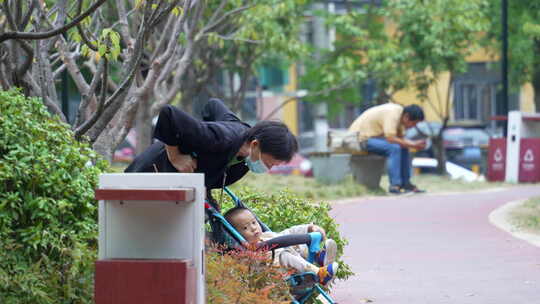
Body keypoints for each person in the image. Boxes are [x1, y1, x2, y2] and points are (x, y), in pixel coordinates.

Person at [125, 99, 298, 209]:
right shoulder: (220, 137)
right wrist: (176, 155)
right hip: (150, 174)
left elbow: (213, 105)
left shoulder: (243, 159)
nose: (268, 169)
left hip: (176, 189)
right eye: (270, 163)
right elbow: (169, 114)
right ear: (255, 144)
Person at [224, 206, 339, 286]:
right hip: (279, 278)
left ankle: (318, 257)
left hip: (296, 265)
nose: (253, 228)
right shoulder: (246, 253)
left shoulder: (266, 236)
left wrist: (308, 228)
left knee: (294, 243)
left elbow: (286, 234)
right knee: (283, 255)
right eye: (245, 228)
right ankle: (320, 274)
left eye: (254, 223)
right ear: (236, 235)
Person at [349, 103, 426, 194]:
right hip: (358, 139)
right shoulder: (393, 113)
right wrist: (413, 144)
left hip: (372, 138)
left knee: (403, 147)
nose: (413, 126)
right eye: (414, 123)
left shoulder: (400, 117)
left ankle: (406, 184)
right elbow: (391, 138)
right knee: (395, 148)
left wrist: (412, 144)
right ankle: (395, 185)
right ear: (406, 117)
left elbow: (401, 139)